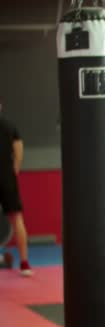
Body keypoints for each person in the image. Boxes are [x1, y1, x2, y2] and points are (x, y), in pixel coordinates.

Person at [0, 101, 33, 276]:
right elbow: (18, 149)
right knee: (16, 218)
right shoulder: (10, 126)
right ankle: (25, 263)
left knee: (17, 218)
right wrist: (15, 170)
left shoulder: (9, 126)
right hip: (7, 177)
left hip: (6, 176)